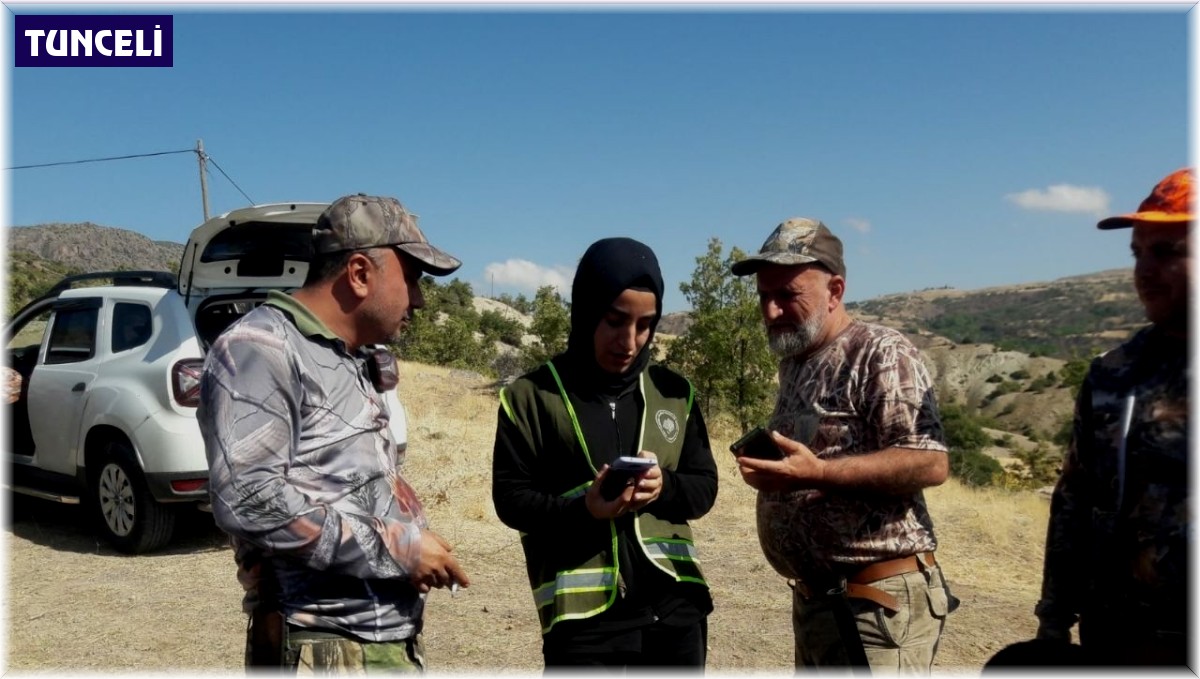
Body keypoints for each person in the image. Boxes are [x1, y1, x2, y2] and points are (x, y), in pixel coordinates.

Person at [198, 193, 471, 673]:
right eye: (411, 278)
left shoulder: (347, 355)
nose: (420, 298)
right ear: (360, 273)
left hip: (375, 643)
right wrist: (401, 548)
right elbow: (249, 498)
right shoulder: (259, 348)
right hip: (321, 645)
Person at [729, 218, 955, 673]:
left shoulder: (880, 352)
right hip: (820, 604)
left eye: (787, 295)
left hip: (877, 610)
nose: (771, 311)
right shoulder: (796, 361)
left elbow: (930, 462)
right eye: (763, 297)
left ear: (834, 290)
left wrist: (819, 474)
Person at [492, 237, 719, 671]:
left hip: (676, 612)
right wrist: (585, 511)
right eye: (615, 320)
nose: (629, 340)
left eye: (645, 324)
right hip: (584, 626)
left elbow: (704, 487)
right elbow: (511, 499)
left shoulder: (676, 393)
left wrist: (663, 487)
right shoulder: (529, 397)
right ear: (586, 310)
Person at [1034, 168, 1192, 666]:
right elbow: (1075, 500)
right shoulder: (1113, 374)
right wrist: (1054, 619)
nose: (1143, 270)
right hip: (1117, 639)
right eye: (1137, 252)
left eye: (1168, 251)